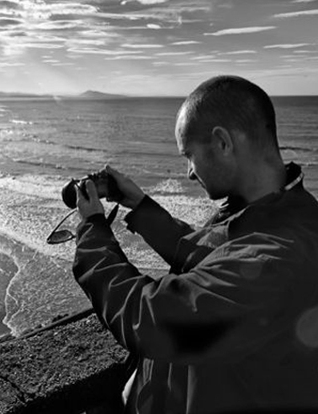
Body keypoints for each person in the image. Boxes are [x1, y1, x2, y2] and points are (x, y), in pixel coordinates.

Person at [73, 75, 318, 414]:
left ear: (222, 142)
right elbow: (213, 255)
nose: (189, 172)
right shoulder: (271, 211)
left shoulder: (281, 256)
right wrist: (140, 207)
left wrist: (92, 230)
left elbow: (150, 318)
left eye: (189, 155)